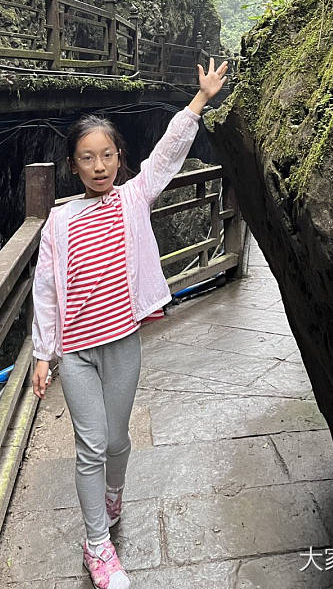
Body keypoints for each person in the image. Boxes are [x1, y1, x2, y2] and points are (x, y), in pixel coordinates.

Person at [31, 58, 229, 589]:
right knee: (91, 445)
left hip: (122, 341)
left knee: (117, 440)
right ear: (74, 166)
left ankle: (112, 496)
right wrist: (41, 354)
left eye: (106, 155)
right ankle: (98, 546)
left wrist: (199, 102)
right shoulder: (59, 221)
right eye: (86, 158)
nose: (98, 166)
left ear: (119, 158)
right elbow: (46, 289)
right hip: (75, 352)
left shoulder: (133, 199)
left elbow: (166, 157)